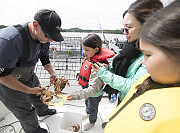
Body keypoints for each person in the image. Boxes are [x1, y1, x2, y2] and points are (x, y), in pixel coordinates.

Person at [104, 0, 180, 132]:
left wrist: (103, 73)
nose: (143, 62)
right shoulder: (150, 78)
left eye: (148, 55)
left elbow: (127, 85)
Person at [0, 9, 64, 133]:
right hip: (8, 80)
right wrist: (29, 90)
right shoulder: (9, 39)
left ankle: (43, 111)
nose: (50, 40)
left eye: (53, 37)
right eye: (48, 36)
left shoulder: (43, 37)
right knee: (25, 110)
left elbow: (44, 57)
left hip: (28, 73)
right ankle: (33, 130)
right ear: (35, 25)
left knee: (40, 94)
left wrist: (52, 73)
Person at [93, 0, 163, 104]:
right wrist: (108, 69)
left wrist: (103, 73)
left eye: (128, 28)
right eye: (123, 28)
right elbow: (124, 72)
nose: (125, 33)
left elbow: (132, 86)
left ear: (147, 26)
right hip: (123, 101)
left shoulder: (153, 55)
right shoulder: (130, 49)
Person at [67, 34, 115, 131]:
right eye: (83, 49)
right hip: (86, 88)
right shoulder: (89, 57)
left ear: (96, 50)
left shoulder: (99, 65)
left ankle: (92, 121)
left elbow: (93, 89)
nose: (84, 53)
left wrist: (77, 95)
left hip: (94, 93)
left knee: (93, 107)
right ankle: (87, 112)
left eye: (87, 50)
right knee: (87, 102)